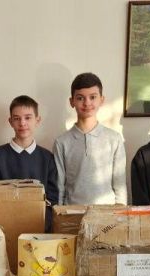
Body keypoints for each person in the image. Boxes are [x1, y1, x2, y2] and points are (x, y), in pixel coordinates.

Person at [54, 72, 127, 205]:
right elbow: (59, 186)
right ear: (72, 102)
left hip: (107, 213)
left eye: (92, 97)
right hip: (72, 212)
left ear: (101, 100)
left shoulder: (114, 139)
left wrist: (120, 212)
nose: (87, 103)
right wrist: (58, 213)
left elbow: (120, 185)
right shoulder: (61, 142)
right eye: (80, 98)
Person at [0, 94, 57, 229]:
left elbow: (53, 199)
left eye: (28, 117)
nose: (22, 123)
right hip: (5, 227)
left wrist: (42, 226)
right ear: (10, 121)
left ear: (37, 120)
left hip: (40, 227)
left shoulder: (47, 158)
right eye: (17, 118)